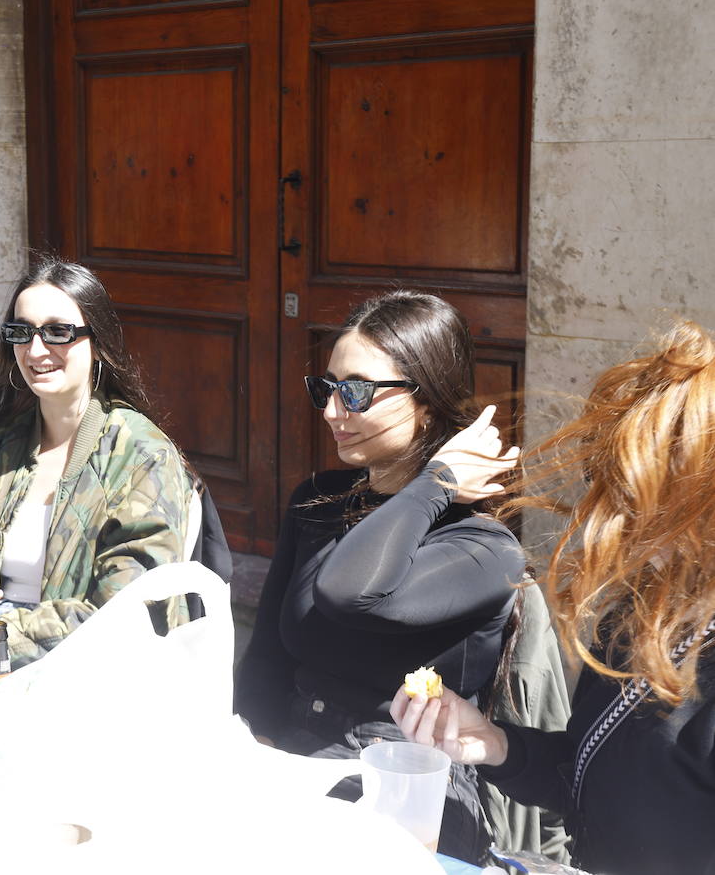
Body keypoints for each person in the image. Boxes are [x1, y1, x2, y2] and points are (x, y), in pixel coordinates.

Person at [392, 321, 715, 875]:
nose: (607, 520)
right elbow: (591, 776)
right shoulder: (637, 619)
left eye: (639, 498)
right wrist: (493, 743)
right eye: (608, 485)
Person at [233, 290, 523, 862]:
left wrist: (433, 485)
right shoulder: (316, 501)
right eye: (328, 388)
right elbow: (268, 649)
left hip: (406, 787)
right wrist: (254, 745)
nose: (332, 412)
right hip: (294, 761)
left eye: (357, 391)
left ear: (429, 401)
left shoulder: (483, 546)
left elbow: (351, 592)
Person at [0, 255, 193, 667]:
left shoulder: (143, 458)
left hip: (96, 683)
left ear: (97, 342)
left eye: (58, 332)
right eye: (21, 332)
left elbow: (129, 610)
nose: (36, 349)